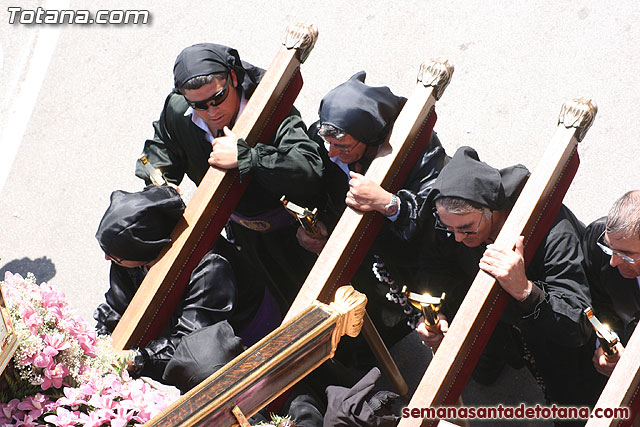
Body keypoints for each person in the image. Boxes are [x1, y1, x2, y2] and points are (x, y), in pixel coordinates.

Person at [134, 43, 324, 312]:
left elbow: (308, 168)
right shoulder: (177, 110)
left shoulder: (272, 106)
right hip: (242, 234)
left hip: (295, 233)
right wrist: (161, 183)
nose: (211, 112)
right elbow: (161, 148)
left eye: (218, 98)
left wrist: (249, 157)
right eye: (198, 105)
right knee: (280, 307)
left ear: (233, 78)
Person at [415, 146, 603, 412]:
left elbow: (579, 324)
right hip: (506, 332)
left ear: (492, 210)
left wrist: (525, 290)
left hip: (560, 343)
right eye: (449, 229)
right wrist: (436, 313)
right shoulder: (457, 225)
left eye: (466, 230)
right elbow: (434, 266)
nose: (457, 239)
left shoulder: (554, 232)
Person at [94, 185, 279, 386]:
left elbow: (193, 343)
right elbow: (118, 303)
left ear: (143, 248)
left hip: (240, 335)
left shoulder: (210, 267)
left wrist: (139, 359)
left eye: (115, 256)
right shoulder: (129, 260)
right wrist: (99, 340)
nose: (107, 258)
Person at [582, 190, 640, 377]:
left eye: (626, 255)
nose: (613, 262)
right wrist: (607, 343)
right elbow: (597, 300)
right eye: (610, 249)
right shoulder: (597, 240)